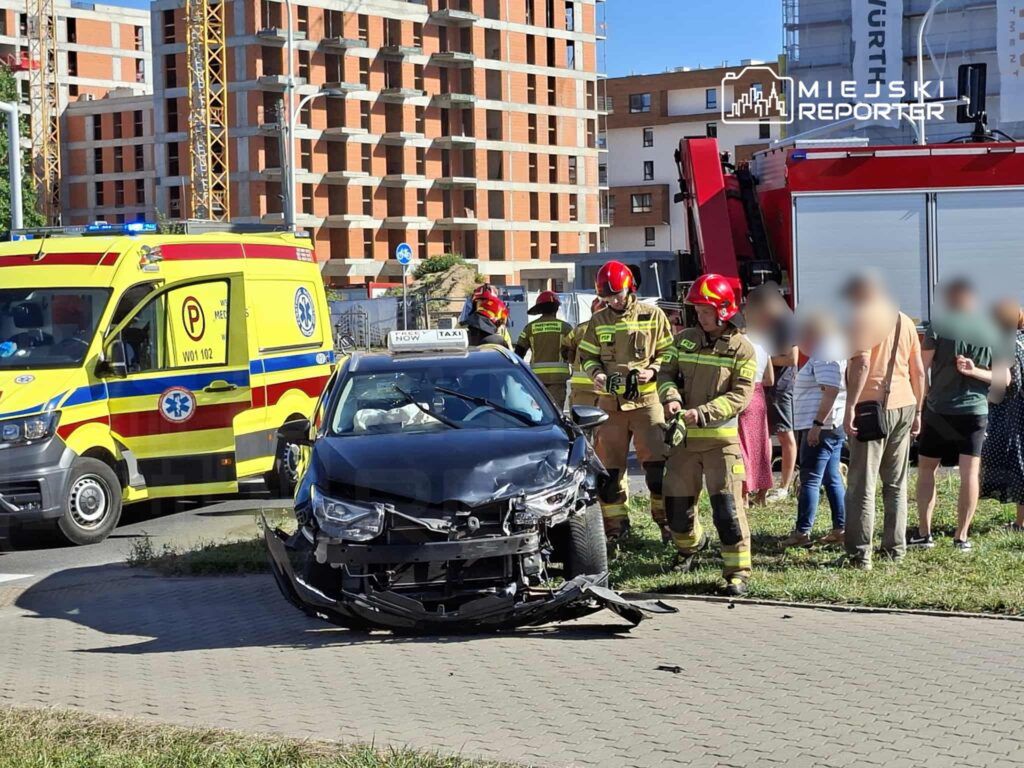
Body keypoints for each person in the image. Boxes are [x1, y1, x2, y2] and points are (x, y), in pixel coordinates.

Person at [659, 274, 757, 596]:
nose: (699, 316)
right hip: (684, 444)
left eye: (705, 311)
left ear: (724, 311)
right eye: (697, 310)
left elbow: (740, 396)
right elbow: (666, 373)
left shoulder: (742, 350)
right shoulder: (684, 340)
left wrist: (702, 413)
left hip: (720, 444)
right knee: (677, 512)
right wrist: (671, 397)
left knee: (727, 510)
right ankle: (691, 547)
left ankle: (737, 572)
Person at [577, 261, 674, 549]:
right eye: (607, 297)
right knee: (610, 474)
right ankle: (616, 530)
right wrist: (597, 374)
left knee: (657, 472)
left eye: (617, 295)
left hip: (647, 403)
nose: (613, 301)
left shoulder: (652, 315)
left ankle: (667, 525)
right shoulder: (598, 320)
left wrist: (653, 370)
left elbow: (669, 352)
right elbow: (588, 356)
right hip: (610, 406)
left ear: (630, 288)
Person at [912, 280, 1009, 552]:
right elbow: (1003, 379)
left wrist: (924, 399)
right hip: (975, 411)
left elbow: (921, 368)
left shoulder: (939, 325)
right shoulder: (991, 329)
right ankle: (961, 537)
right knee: (970, 474)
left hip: (939, 411)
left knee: (927, 470)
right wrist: (975, 372)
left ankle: (924, 533)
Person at [842, 274, 926, 570]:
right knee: (896, 483)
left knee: (862, 484)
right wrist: (918, 411)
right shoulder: (905, 320)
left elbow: (862, 362)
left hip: (871, 407)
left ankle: (859, 553)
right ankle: (895, 549)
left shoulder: (861, 318)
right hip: (905, 404)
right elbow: (918, 371)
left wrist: (849, 406)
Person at [782, 311, 847, 548]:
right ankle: (841, 527)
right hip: (831, 426)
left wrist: (817, 424)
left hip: (821, 427)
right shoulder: (832, 349)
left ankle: (802, 532)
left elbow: (830, 390)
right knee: (832, 478)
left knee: (810, 478)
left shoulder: (825, 353)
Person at [746, 284, 799, 503]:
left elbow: (791, 358)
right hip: (761, 384)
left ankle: (785, 486)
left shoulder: (786, 322)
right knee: (762, 436)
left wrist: (759, 358)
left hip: (781, 386)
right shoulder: (759, 323)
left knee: (785, 433)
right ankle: (761, 485)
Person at [981, 300, 1024, 532]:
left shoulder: (1004, 343)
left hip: (1015, 411)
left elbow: (1007, 380)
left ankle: (1020, 522)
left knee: (1018, 462)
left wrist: (976, 374)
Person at [739, 300, 775, 506]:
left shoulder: (739, 341)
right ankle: (762, 493)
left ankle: (744, 493)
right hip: (759, 394)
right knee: (760, 445)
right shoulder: (764, 341)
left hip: (743, 393)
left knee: (741, 445)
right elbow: (770, 379)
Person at [515, 291, 572, 408]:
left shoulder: (529, 328)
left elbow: (518, 353)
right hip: (558, 379)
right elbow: (573, 353)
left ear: (540, 309)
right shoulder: (566, 328)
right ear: (556, 309)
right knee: (556, 412)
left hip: (536, 380)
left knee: (538, 413)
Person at [564, 298, 605, 409]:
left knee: (582, 423)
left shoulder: (580, 329)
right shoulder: (616, 329)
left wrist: (573, 362)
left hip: (581, 387)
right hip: (606, 386)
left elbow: (565, 347)